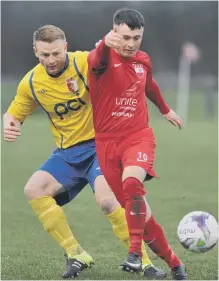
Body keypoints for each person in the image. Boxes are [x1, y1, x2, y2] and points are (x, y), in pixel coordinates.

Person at [3, 25, 167, 279]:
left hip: (101, 146)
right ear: (36, 51)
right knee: (34, 189)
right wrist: (10, 123)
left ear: (65, 47)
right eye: (45, 55)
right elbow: (14, 112)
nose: (51, 60)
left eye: (56, 53)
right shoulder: (32, 83)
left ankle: (145, 263)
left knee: (107, 200)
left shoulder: (83, 63)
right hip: (67, 153)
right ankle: (76, 254)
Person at [88, 8, 187, 280]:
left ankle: (134, 254)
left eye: (137, 37)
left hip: (138, 136)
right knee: (141, 218)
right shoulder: (102, 56)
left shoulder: (143, 59)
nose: (131, 43)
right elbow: (96, 60)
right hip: (106, 143)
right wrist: (104, 46)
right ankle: (175, 263)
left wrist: (165, 110)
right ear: (114, 33)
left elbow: (149, 84)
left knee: (133, 183)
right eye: (125, 37)